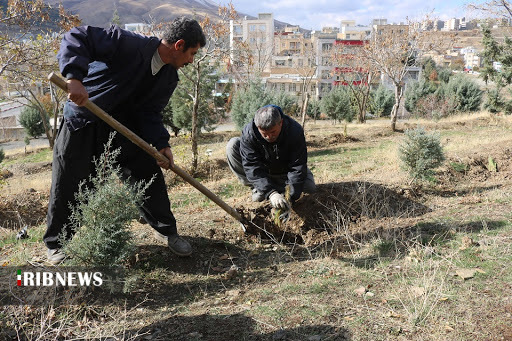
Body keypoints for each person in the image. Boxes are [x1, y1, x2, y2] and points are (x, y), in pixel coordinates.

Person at [44, 17, 206, 264]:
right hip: (85, 118)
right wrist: (74, 78)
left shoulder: (169, 78)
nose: (191, 60)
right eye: (192, 53)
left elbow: (150, 112)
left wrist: (162, 144)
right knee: (70, 180)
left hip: (124, 129)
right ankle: (56, 244)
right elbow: (78, 36)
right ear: (179, 45)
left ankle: (167, 232)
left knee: (147, 174)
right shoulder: (128, 44)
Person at [226, 105, 316, 210]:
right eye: (264, 134)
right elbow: (251, 166)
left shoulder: (294, 131)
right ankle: (258, 187)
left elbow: (297, 165)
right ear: (257, 126)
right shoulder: (249, 134)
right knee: (232, 145)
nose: (269, 137)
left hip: (286, 171)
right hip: (265, 171)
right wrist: (271, 193)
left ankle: (279, 186)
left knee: (309, 188)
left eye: (273, 132)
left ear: (280, 123)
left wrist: (290, 196)